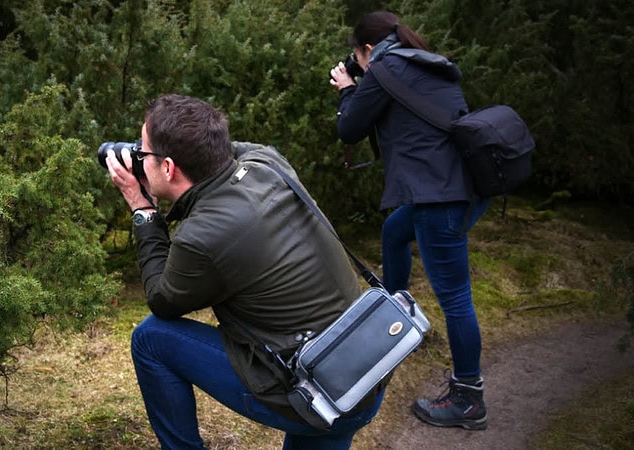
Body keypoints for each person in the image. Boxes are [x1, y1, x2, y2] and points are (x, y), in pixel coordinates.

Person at [104, 94, 384, 449]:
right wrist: (165, 147)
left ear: (170, 168)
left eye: (143, 154)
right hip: (363, 373)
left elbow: (162, 299)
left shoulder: (201, 235)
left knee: (151, 338)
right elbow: (217, 149)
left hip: (311, 395)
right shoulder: (267, 161)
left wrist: (142, 209)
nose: (138, 160)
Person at [329, 11, 490, 431]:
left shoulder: (382, 69)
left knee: (455, 298)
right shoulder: (427, 63)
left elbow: (349, 129)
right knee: (393, 232)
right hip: (457, 188)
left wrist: (349, 89)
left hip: (440, 198)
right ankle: (396, 324)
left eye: (357, 56)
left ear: (367, 49)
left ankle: (469, 398)